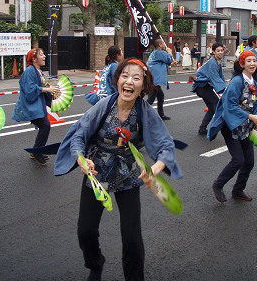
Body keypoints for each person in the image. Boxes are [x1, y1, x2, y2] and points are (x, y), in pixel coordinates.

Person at [54, 58, 182, 281]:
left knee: (132, 239)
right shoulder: (104, 105)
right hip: (97, 171)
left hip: (129, 172)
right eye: (125, 76)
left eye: (136, 78)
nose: (129, 81)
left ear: (144, 85)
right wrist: (81, 159)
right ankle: (95, 262)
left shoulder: (145, 112)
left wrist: (156, 167)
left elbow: (166, 145)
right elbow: (79, 136)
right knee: (85, 231)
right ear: (117, 80)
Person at [208, 51, 257, 203]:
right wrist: (250, 116)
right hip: (231, 124)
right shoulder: (237, 81)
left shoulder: (255, 83)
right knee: (238, 160)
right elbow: (230, 106)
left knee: (249, 161)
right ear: (242, 64)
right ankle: (218, 184)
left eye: (254, 60)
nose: (252, 63)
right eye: (248, 61)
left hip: (245, 126)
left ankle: (238, 190)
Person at [12, 48, 60, 166]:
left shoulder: (38, 71)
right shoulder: (29, 71)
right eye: (41, 55)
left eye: (44, 54)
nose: (44, 56)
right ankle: (37, 152)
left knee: (44, 125)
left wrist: (52, 90)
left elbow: (42, 85)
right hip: (31, 105)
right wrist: (47, 89)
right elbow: (29, 90)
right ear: (33, 59)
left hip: (37, 105)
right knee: (45, 125)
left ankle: (37, 151)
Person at [191, 42, 227, 135]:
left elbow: (220, 77)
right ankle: (218, 129)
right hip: (203, 87)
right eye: (218, 51)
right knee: (217, 106)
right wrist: (225, 89)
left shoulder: (218, 62)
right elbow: (215, 78)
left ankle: (202, 128)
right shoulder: (212, 62)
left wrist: (226, 87)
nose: (220, 52)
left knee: (212, 108)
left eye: (221, 50)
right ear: (214, 52)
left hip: (205, 87)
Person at [146, 38, 173, 120]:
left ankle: (161, 114)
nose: (164, 45)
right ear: (160, 45)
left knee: (160, 96)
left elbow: (163, 63)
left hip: (153, 78)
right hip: (155, 80)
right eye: (163, 43)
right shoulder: (159, 52)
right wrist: (169, 52)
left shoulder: (155, 53)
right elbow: (168, 59)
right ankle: (142, 115)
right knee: (150, 99)